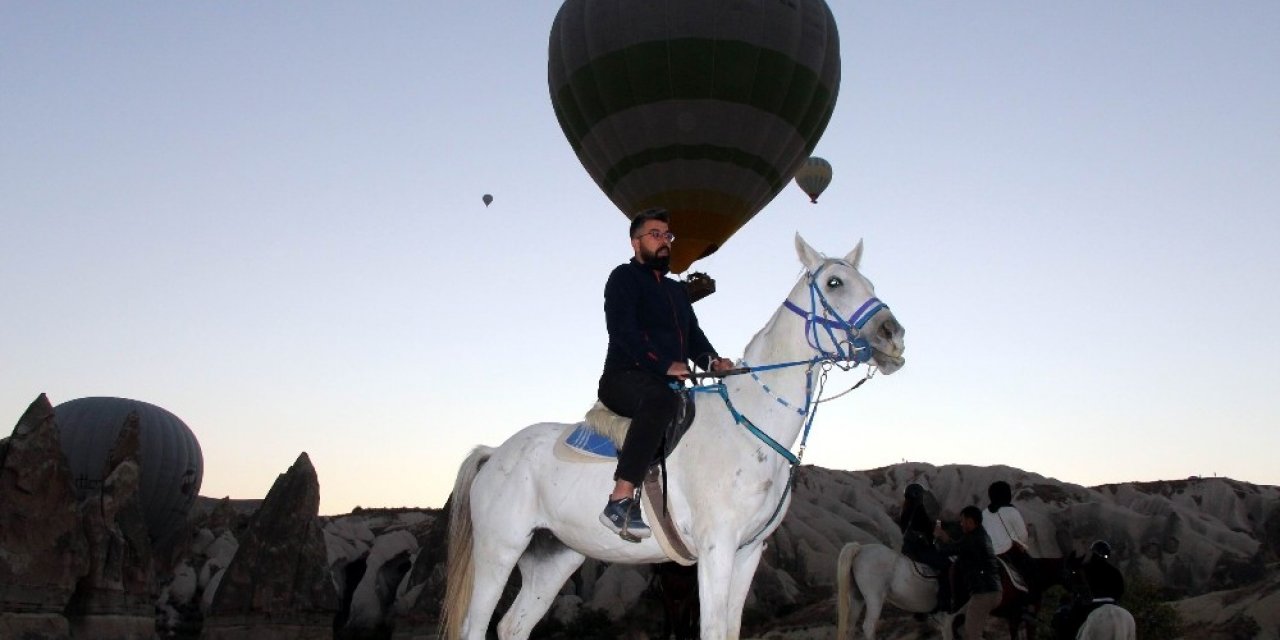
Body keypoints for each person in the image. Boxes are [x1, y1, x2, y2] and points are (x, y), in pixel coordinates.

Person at [597, 208, 733, 541]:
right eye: (655, 235)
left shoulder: (675, 292)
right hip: (624, 378)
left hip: (667, 381)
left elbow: (693, 337)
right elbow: (623, 332)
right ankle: (620, 499)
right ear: (635, 242)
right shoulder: (623, 278)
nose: (664, 241)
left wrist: (712, 362)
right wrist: (662, 365)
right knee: (659, 401)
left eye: (667, 235)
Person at [934, 506, 1001, 639]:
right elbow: (958, 548)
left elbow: (945, 551)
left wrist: (937, 538)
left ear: (970, 521)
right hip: (989, 592)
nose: (961, 523)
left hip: (983, 594)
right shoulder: (979, 536)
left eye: (962, 520)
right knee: (960, 627)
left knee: (972, 635)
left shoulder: (973, 539)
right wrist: (946, 538)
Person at [1053, 540, 1126, 639]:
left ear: (1093, 552)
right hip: (1112, 603)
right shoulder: (1115, 572)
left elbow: (1075, 587)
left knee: (1069, 625)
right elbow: (1120, 591)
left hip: (1091, 604)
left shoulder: (1084, 568)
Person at [898, 483, 952, 611]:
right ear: (918, 496)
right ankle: (943, 602)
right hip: (920, 549)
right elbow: (930, 531)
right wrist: (938, 531)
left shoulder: (905, 511)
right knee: (947, 566)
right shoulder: (919, 510)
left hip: (907, 548)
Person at [984, 481, 1036, 603]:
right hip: (1006, 552)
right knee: (1032, 569)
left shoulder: (984, 513)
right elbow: (1022, 535)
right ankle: (1029, 605)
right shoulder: (1011, 511)